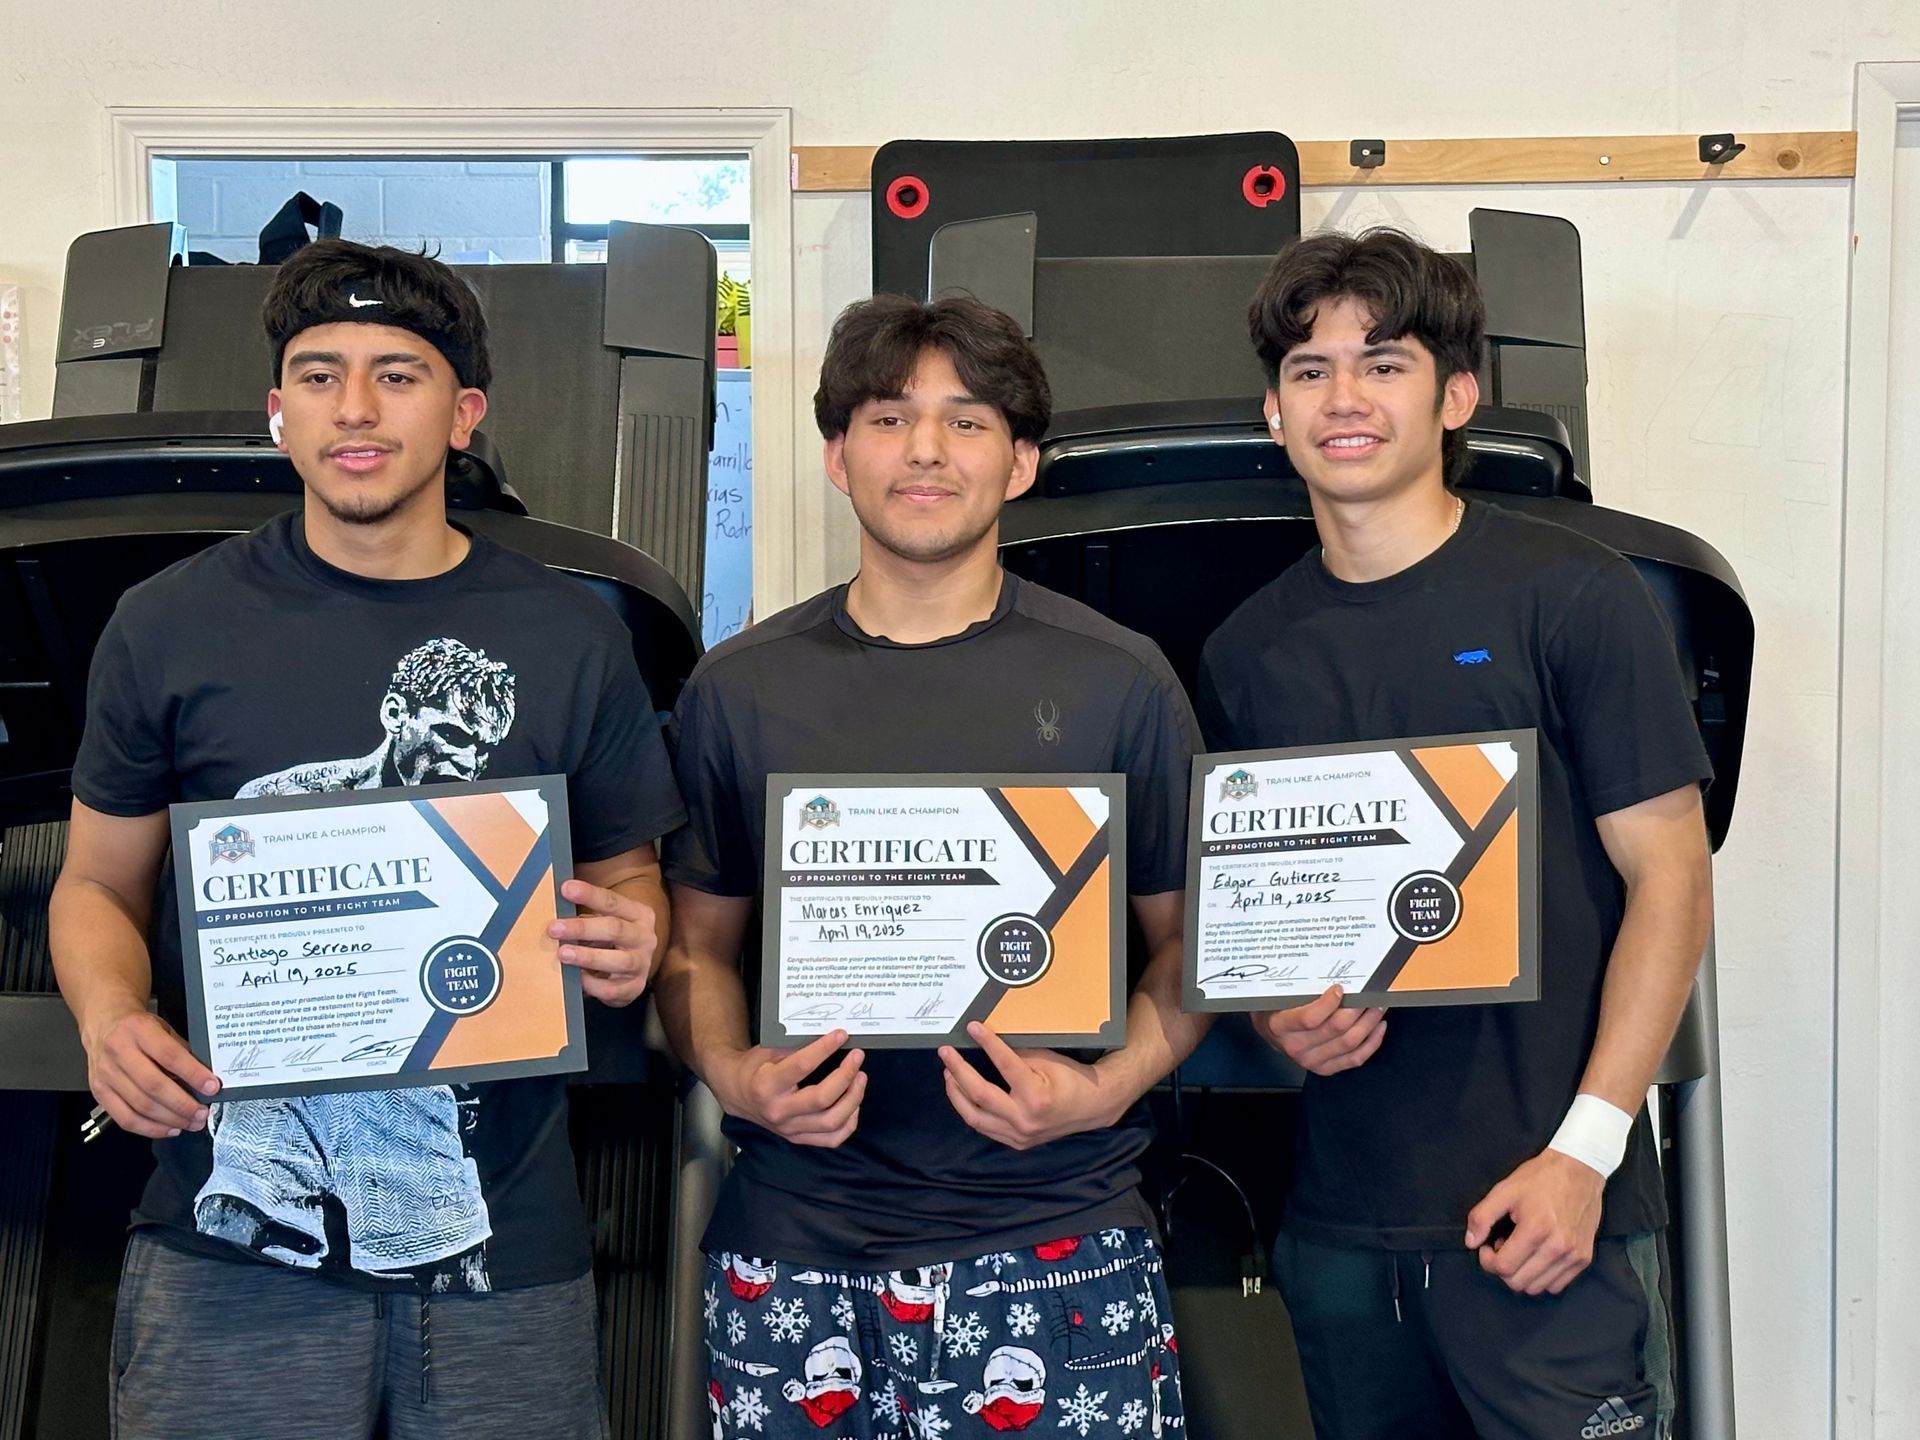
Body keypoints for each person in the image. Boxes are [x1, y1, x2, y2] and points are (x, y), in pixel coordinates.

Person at [50, 239, 684, 1439]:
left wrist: (631, 936)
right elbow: (94, 885)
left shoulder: (568, 638)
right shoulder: (170, 627)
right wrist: (110, 1017)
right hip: (225, 1250)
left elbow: (628, 880)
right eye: (320, 372)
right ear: (277, 410)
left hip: (504, 1240)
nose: (356, 407)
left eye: (398, 375)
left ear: (464, 413)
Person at [652, 295, 1207, 1439]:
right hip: (794, 1251)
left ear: (1021, 462)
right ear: (838, 457)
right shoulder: (740, 687)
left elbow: (1191, 944)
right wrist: (735, 1074)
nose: (924, 451)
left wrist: (1103, 1087)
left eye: (966, 421)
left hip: (1058, 1240)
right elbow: (692, 950)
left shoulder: (1120, 681)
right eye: (890, 416)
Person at [1196, 227, 1715, 1440]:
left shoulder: (1574, 596)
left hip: (1549, 1217)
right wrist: (1281, 1020)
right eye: (1311, 371)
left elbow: (1672, 881)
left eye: (1383, 362)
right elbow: (1258, 931)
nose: (1345, 398)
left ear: (1456, 396)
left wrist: (1584, 1156)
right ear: (1275, 412)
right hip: (1339, 1231)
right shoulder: (1245, 654)